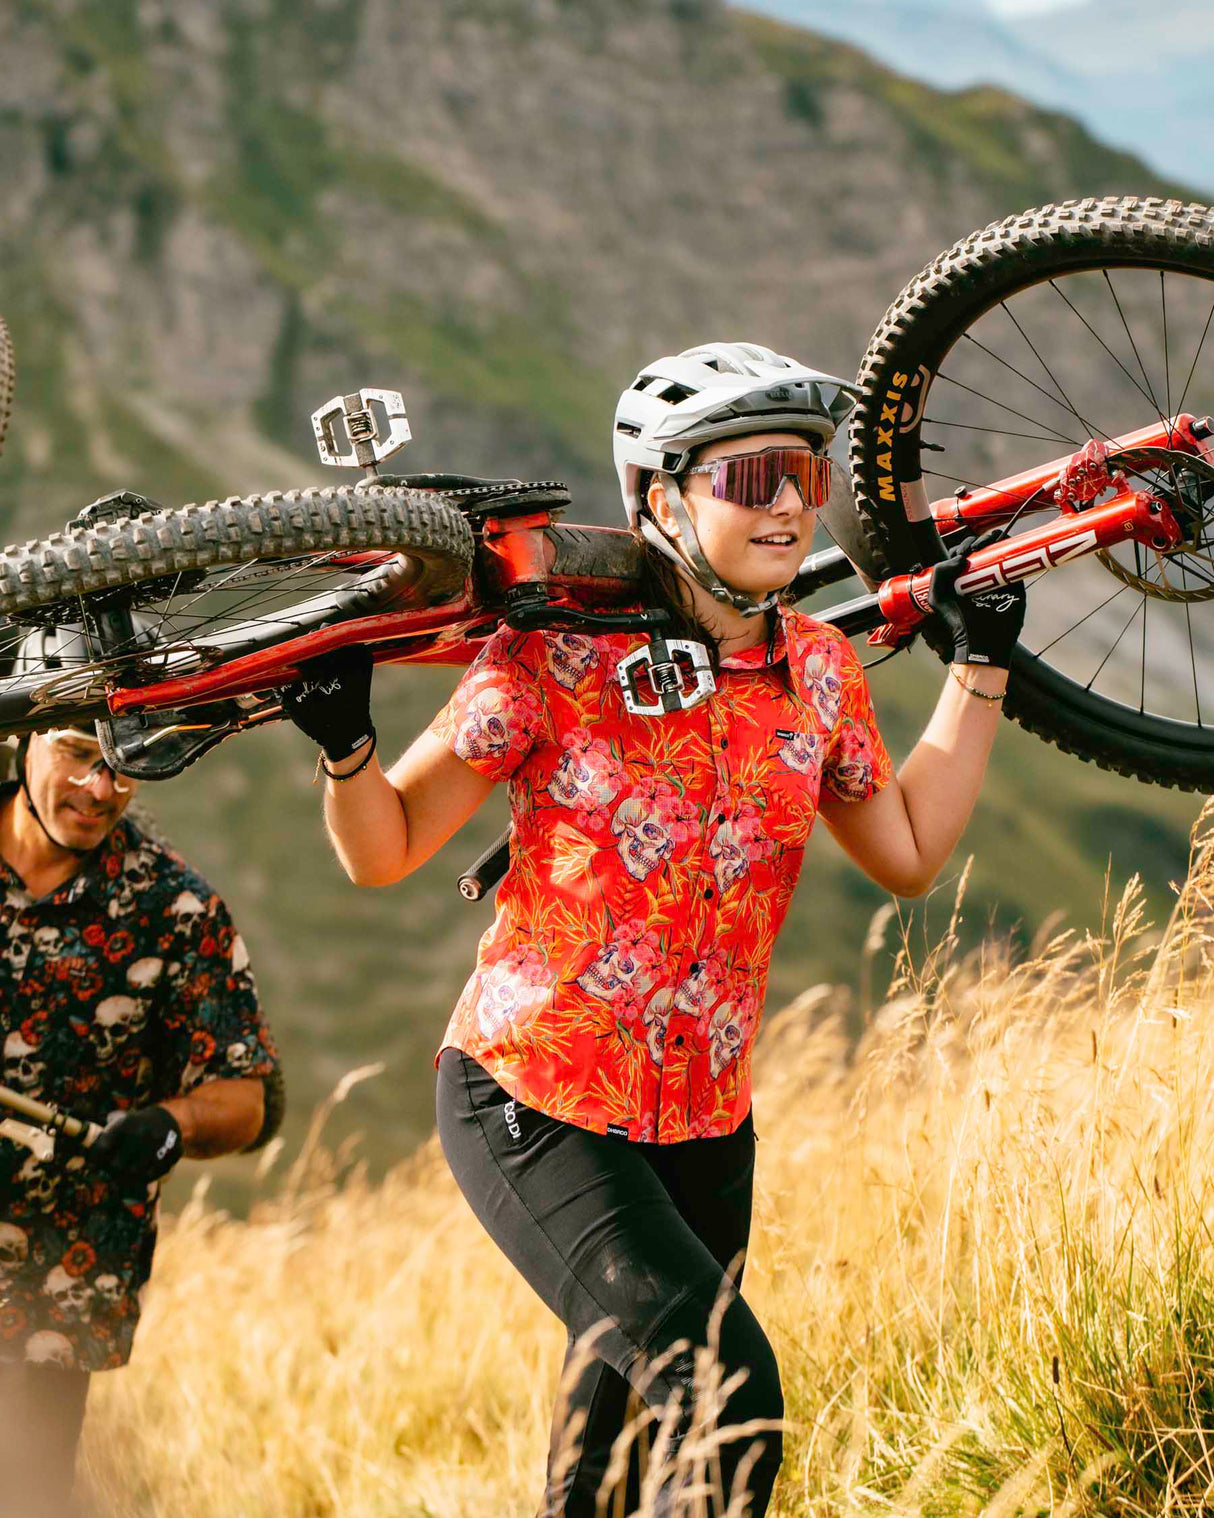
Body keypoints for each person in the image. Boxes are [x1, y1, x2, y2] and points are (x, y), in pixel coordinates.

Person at [285, 341, 1025, 1515]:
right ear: (659, 498)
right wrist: (346, 749)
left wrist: (978, 665)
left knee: (615, 1471)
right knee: (728, 1403)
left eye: (804, 475)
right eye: (749, 478)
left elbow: (905, 851)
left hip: (705, 1124)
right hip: (533, 1099)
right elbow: (385, 848)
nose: (787, 504)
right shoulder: (556, 651)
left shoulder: (816, 670)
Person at [0, 625, 283, 1518]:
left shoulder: (175, 907)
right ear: (21, 735)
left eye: (125, 762)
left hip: (58, 1289)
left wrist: (170, 1126)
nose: (101, 788)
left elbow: (246, 1098)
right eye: (78, 753)